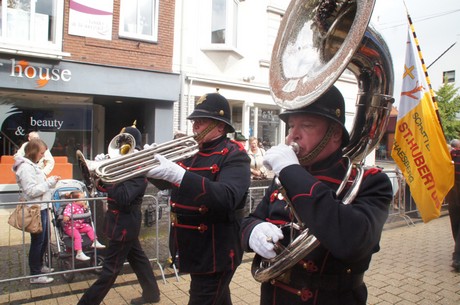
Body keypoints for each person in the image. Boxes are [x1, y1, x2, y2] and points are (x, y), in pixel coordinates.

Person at [240, 86, 392, 305]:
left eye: (307, 125)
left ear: (335, 134)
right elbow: (251, 219)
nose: (293, 135)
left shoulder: (370, 181)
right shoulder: (284, 176)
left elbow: (353, 242)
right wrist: (252, 231)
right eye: (291, 126)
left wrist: (291, 171)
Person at [146, 92, 251, 305]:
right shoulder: (192, 152)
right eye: (194, 122)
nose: (194, 127)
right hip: (192, 246)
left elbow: (227, 197)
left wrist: (178, 174)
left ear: (220, 127)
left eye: (201, 122)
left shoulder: (234, 155)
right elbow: (174, 185)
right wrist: (149, 170)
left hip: (216, 249)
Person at [77, 124, 161, 305]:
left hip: (124, 225)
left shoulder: (138, 169)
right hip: (118, 222)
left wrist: (109, 176)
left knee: (110, 270)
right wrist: (99, 173)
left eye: (126, 145)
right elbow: (103, 188)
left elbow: (123, 197)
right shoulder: (122, 165)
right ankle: (152, 294)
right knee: (138, 259)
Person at [12, 138, 61, 284]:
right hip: (36, 208)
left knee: (43, 239)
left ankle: (39, 266)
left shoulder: (32, 165)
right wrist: (49, 183)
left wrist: (48, 182)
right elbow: (31, 191)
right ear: (33, 151)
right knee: (38, 241)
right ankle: (35, 274)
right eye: (41, 153)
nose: (43, 156)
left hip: (42, 207)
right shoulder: (26, 167)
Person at [62, 190, 105, 261]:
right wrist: (66, 217)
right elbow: (66, 215)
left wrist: (85, 208)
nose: (84, 200)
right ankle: (79, 253)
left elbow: (85, 212)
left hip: (80, 225)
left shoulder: (81, 206)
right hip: (70, 227)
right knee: (77, 236)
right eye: (82, 199)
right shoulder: (70, 206)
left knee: (89, 228)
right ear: (75, 200)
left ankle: (95, 241)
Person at [447, 139, 460, 272]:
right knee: (456, 225)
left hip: (453, 197)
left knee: (457, 226)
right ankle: (457, 256)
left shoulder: (452, 155)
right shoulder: (452, 155)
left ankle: (457, 256)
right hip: (453, 197)